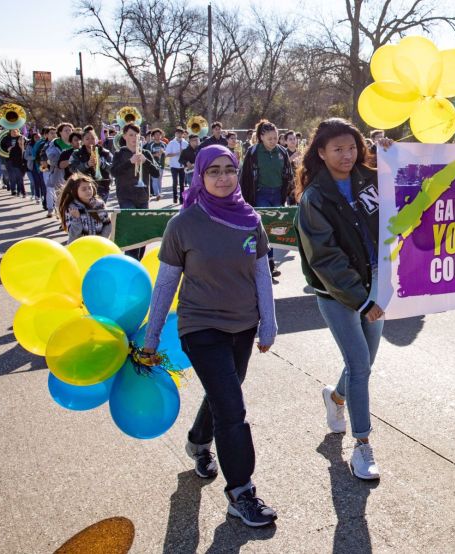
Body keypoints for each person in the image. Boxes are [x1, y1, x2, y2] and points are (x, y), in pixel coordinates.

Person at [140, 144, 277, 527]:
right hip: (200, 326)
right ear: (199, 176)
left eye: (229, 169)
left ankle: (199, 441)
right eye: (213, 170)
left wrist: (268, 323)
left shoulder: (250, 219)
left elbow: (262, 274)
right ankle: (241, 492)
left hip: (243, 325)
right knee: (232, 407)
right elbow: (165, 284)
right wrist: (151, 339)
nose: (223, 177)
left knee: (224, 393)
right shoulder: (182, 225)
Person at [295, 118, 388, 480]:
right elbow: (325, 259)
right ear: (321, 153)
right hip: (336, 293)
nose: (347, 155)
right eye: (338, 149)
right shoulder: (315, 198)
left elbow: (411, 190)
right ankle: (362, 445)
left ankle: (335, 398)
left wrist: (393, 157)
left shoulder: (370, 178)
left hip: (375, 282)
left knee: (365, 361)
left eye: (352, 147)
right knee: (359, 365)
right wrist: (361, 301)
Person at [239, 119, 294, 278]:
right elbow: (245, 177)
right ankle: (261, 262)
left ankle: (270, 261)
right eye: (269, 138)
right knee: (262, 228)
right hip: (260, 193)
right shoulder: (253, 152)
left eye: (275, 138)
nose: (273, 141)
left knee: (274, 228)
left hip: (278, 194)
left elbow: (288, 174)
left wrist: (290, 191)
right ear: (261, 137)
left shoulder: (281, 152)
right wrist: (243, 199)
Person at [112, 123, 160, 260]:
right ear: (125, 136)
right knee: (132, 230)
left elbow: (156, 173)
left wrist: (146, 162)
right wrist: (129, 162)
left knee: (141, 232)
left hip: (143, 197)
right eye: (131, 135)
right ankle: (131, 260)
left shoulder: (146, 153)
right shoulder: (119, 154)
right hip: (125, 197)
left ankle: (138, 260)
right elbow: (114, 172)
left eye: (136, 135)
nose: (134, 138)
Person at [58, 173, 112, 244]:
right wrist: (76, 219)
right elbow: (73, 234)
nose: (88, 191)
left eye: (90, 188)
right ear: (74, 191)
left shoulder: (99, 204)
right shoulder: (71, 208)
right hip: (80, 246)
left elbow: (107, 224)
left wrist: (102, 240)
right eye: (84, 189)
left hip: (98, 245)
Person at [72, 129, 113, 202]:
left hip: (103, 186)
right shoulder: (76, 154)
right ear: (82, 140)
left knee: (99, 207)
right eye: (87, 139)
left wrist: (102, 164)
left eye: (93, 138)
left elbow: (113, 169)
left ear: (96, 139)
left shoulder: (105, 152)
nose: (90, 140)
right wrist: (87, 164)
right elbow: (73, 169)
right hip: (83, 187)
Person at [46, 122, 74, 215]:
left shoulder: (75, 142)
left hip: (73, 173)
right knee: (61, 196)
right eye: (66, 130)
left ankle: (69, 215)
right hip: (59, 174)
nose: (68, 132)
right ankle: (62, 214)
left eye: (70, 130)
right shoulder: (55, 143)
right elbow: (51, 157)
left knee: (73, 196)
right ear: (60, 132)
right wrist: (62, 162)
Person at [1, 129, 27, 197]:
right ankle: (13, 190)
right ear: (10, 132)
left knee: (19, 177)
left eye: (16, 131)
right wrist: (7, 149)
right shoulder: (6, 138)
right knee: (12, 175)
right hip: (9, 159)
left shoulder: (21, 138)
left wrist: (22, 144)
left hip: (20, 160)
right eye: (13, 131)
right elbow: (1, 146)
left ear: (18, 132)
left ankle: (20, 191)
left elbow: (26, 145)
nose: (14, 133)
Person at [165, 127, 188, 204]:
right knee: (175, 182)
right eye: (178, 133)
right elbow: (167, 154)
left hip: (182, 166)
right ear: (175, 134)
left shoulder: (185, 143)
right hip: (174, 166)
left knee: (182, 183)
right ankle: (175, 197)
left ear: (183, 134)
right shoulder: (171, 143)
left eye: (181, 133)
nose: (179, 135)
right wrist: (177, 153)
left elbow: (188, 154)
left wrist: (184, 154)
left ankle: (182, 199)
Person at [144, 128, 166, 200]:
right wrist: (155, 155)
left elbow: (167, 153)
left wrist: (163, 152)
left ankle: (159, 193)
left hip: (161, 164)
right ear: (153, 136)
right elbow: (147, 154)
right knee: (155, 179)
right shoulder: (150, 144)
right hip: (153, 165)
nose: (158, 136)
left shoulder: (164, 144)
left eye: (159, 134)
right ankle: (157, 194)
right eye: (156, 134)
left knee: (160, 180)